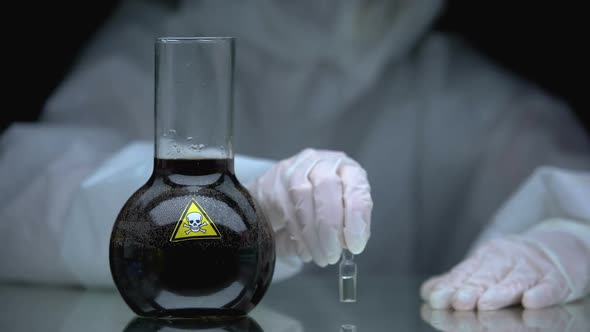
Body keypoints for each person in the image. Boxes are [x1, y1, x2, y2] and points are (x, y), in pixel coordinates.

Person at [1, 0, 589, 310]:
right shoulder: (158, 53)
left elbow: (575, 184)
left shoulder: (464, 97)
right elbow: (23, 194)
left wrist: (568, 235)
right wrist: (231, 204)